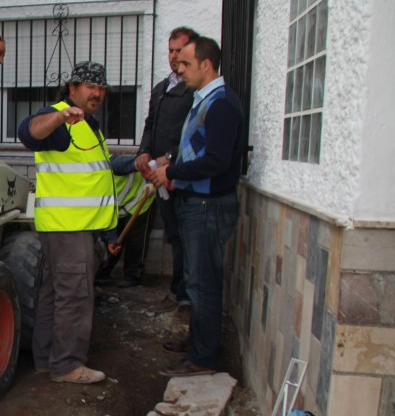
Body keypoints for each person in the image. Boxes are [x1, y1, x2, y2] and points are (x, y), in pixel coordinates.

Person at [17, 61, 117, 384]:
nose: (97, 93)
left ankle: (48, 360)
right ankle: (68, 364)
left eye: (101, 88)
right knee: (75, 294)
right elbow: (28, 131)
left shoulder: (89, 124)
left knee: (54, 294)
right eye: (90, 87)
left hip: (67, 226)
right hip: (68, 227)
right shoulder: (61, 118)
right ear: (73, 88)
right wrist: (60, 116)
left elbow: (100, 166)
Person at [150, 36, 243, 377]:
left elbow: (216, 161)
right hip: (197, 202)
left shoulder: (221, 104)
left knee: (203, 284)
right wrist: (171, 163)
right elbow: (196, 149)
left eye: (186, 63)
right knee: (196, 280)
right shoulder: (205, 101)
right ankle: (198, 344)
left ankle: (203, 359)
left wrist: (171, 171)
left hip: (208, 205)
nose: (180, 68)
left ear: (206, 65)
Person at [134, 27, 200, 314]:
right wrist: (144, 152)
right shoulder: (162, 88)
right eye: (171, 50)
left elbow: (193, 134)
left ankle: (184, 296)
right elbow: (151, 124)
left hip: (180, 176)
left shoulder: (194, 91)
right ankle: (177, 291)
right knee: (173, 234)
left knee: (184, 237)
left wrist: (170, 158)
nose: (174, 56)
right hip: (158, 175)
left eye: (179, 51)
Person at [95, 163, 155, 288]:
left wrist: (150, 179)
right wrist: (112, 238)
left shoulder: (113, 164)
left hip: (141, 196)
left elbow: (145, 164)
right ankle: (104, 271)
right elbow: (107, 219)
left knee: (135, 239)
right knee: (113, 241)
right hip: (118, 205)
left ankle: (133, 275)